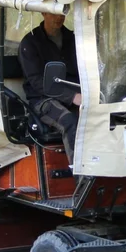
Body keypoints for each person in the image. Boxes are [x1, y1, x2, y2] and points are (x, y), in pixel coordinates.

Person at [18, 12, 81, 164]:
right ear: (44, 12)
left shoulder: (73, 39)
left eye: (62, 13)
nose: (59, 17)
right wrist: (72, 96)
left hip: (75, 93)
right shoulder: (30, 42)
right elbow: (37, 81)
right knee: (69, 121)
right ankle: (79, 171)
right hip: (43, 99)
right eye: (54, 13)